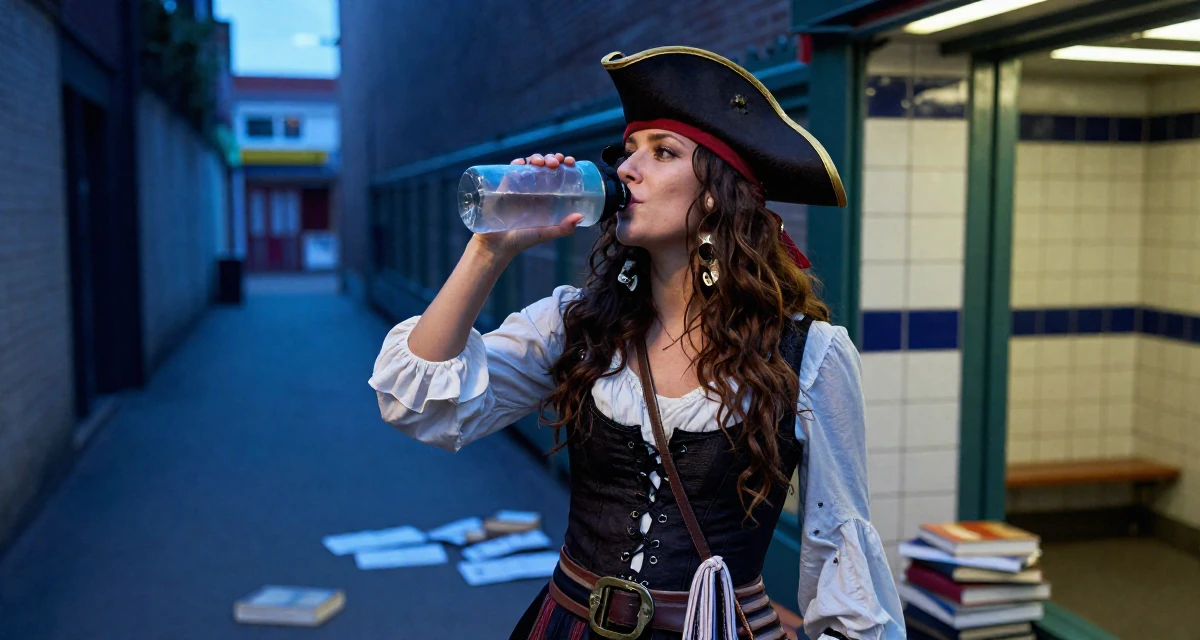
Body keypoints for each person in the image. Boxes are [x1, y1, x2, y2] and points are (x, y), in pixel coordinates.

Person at [369, 46, 905, 640]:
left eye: (662, 152)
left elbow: (839, 552)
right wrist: (489, 248)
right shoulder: (577, 321)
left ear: (716, 194)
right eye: (629, 151)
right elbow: (418, 404)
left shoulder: (811, 356)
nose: (626, 170)